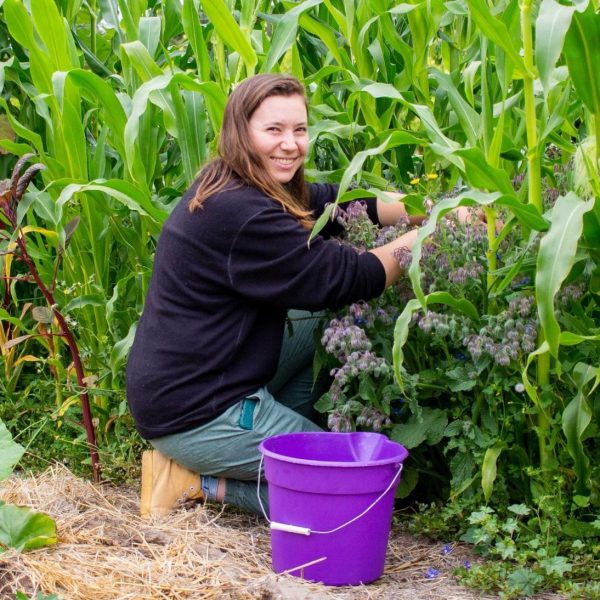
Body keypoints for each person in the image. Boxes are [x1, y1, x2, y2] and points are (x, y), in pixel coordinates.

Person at [126, 73, 458, 518]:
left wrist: (434, 206)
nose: (290, 144)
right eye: (273, 130)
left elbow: (342, 203)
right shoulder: (240, 212)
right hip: (197, 411)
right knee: (351, 492)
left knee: (332, 322)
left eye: (299, 130)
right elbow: (350, 275)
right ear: (240, 133)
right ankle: (195, 481)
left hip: (210, 374)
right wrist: (431, 239)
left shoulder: (243, 181)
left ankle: (279, 438)